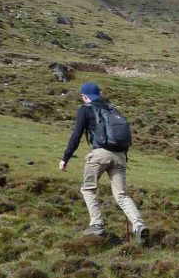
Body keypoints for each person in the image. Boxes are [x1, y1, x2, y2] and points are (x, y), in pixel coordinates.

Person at [59, 82, 148, 243]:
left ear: (84, 96)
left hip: (100, 155)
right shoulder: (112, 110)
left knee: (88, 188)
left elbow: (76, 136)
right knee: (121, 195)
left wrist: (66, 158)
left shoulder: (85, 109)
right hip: (120, 156)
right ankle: (139, 225)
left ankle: (97, 224)